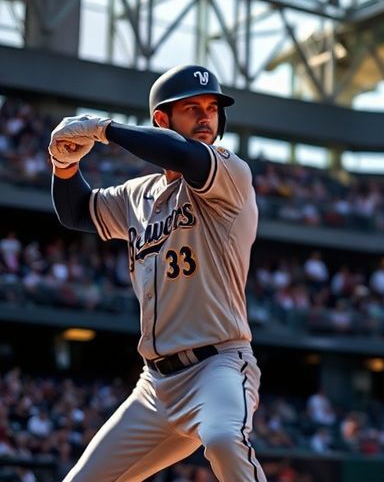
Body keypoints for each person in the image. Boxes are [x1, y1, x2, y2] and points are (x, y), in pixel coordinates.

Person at [48, 65, 267, 481]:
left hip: (217, 366)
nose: (206, 117)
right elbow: (77, 211)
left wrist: (101, 129)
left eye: (212, 108)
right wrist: (64, 166)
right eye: (192, 108)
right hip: (154, 386)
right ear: (162, 120)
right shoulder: (139, 194)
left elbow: (180, 155)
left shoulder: (229, 172)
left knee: (223, 438)